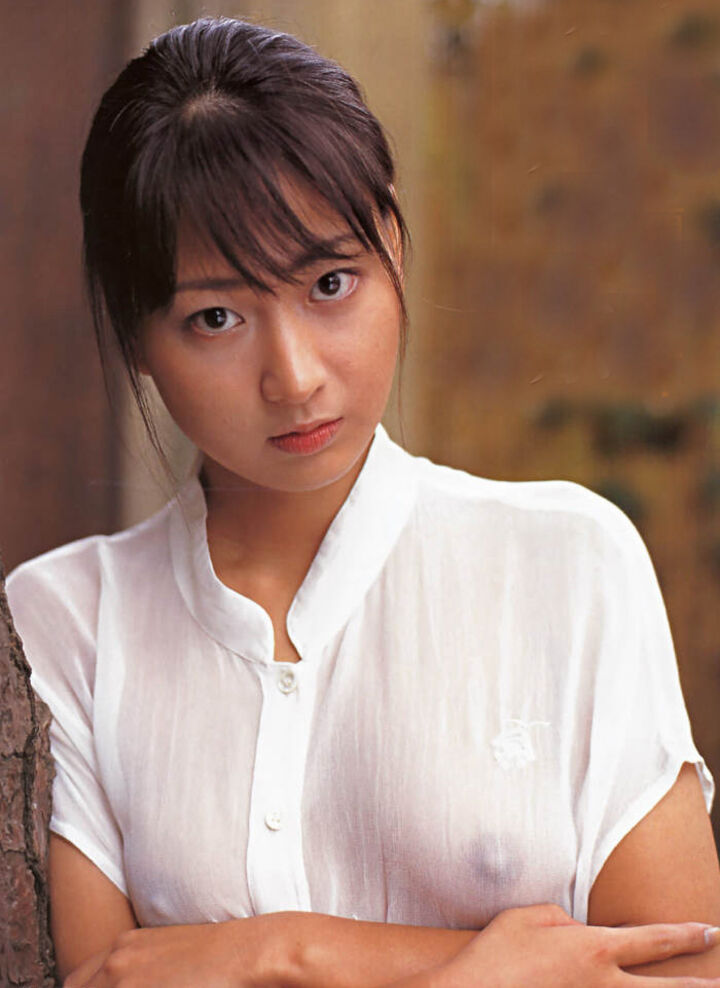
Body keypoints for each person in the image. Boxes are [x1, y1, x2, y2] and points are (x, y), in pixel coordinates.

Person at [7, 16, 720, 988]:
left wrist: (282, 952)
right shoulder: (63, 622)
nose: (294, 376)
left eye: (331, 283)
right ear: (137, 336)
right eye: (215, 317)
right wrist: (490, 970)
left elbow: (681, 972)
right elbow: (111, 980)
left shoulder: (568, 562)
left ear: (394, 246)